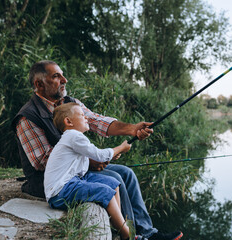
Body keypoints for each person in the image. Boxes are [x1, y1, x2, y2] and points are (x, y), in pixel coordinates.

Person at [12, 60, 183, 240]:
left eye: (62, 74)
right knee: (114, 177)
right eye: (56, 76)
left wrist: (132, 129)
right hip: (51, 182)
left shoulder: (70, 103)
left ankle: (148, 232)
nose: (64, 79)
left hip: (78, 172)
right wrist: (91, 161)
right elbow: (42, 161)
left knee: (127, 173)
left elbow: (97, 121)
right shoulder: (27, 117)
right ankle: (131, 235)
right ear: (39, 84)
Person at [44, 102, 132, 240]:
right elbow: (99, 154)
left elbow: (92, 159)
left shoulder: (72, 138)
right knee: (104, 191)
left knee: (113, 183)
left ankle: (116, 225)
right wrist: (120, 148)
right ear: (68, 121)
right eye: (82, 115)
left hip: (72, 182)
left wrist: (111, 155)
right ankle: (126, 234)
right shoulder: (73, 136)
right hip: (60, 191)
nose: (87, 118)